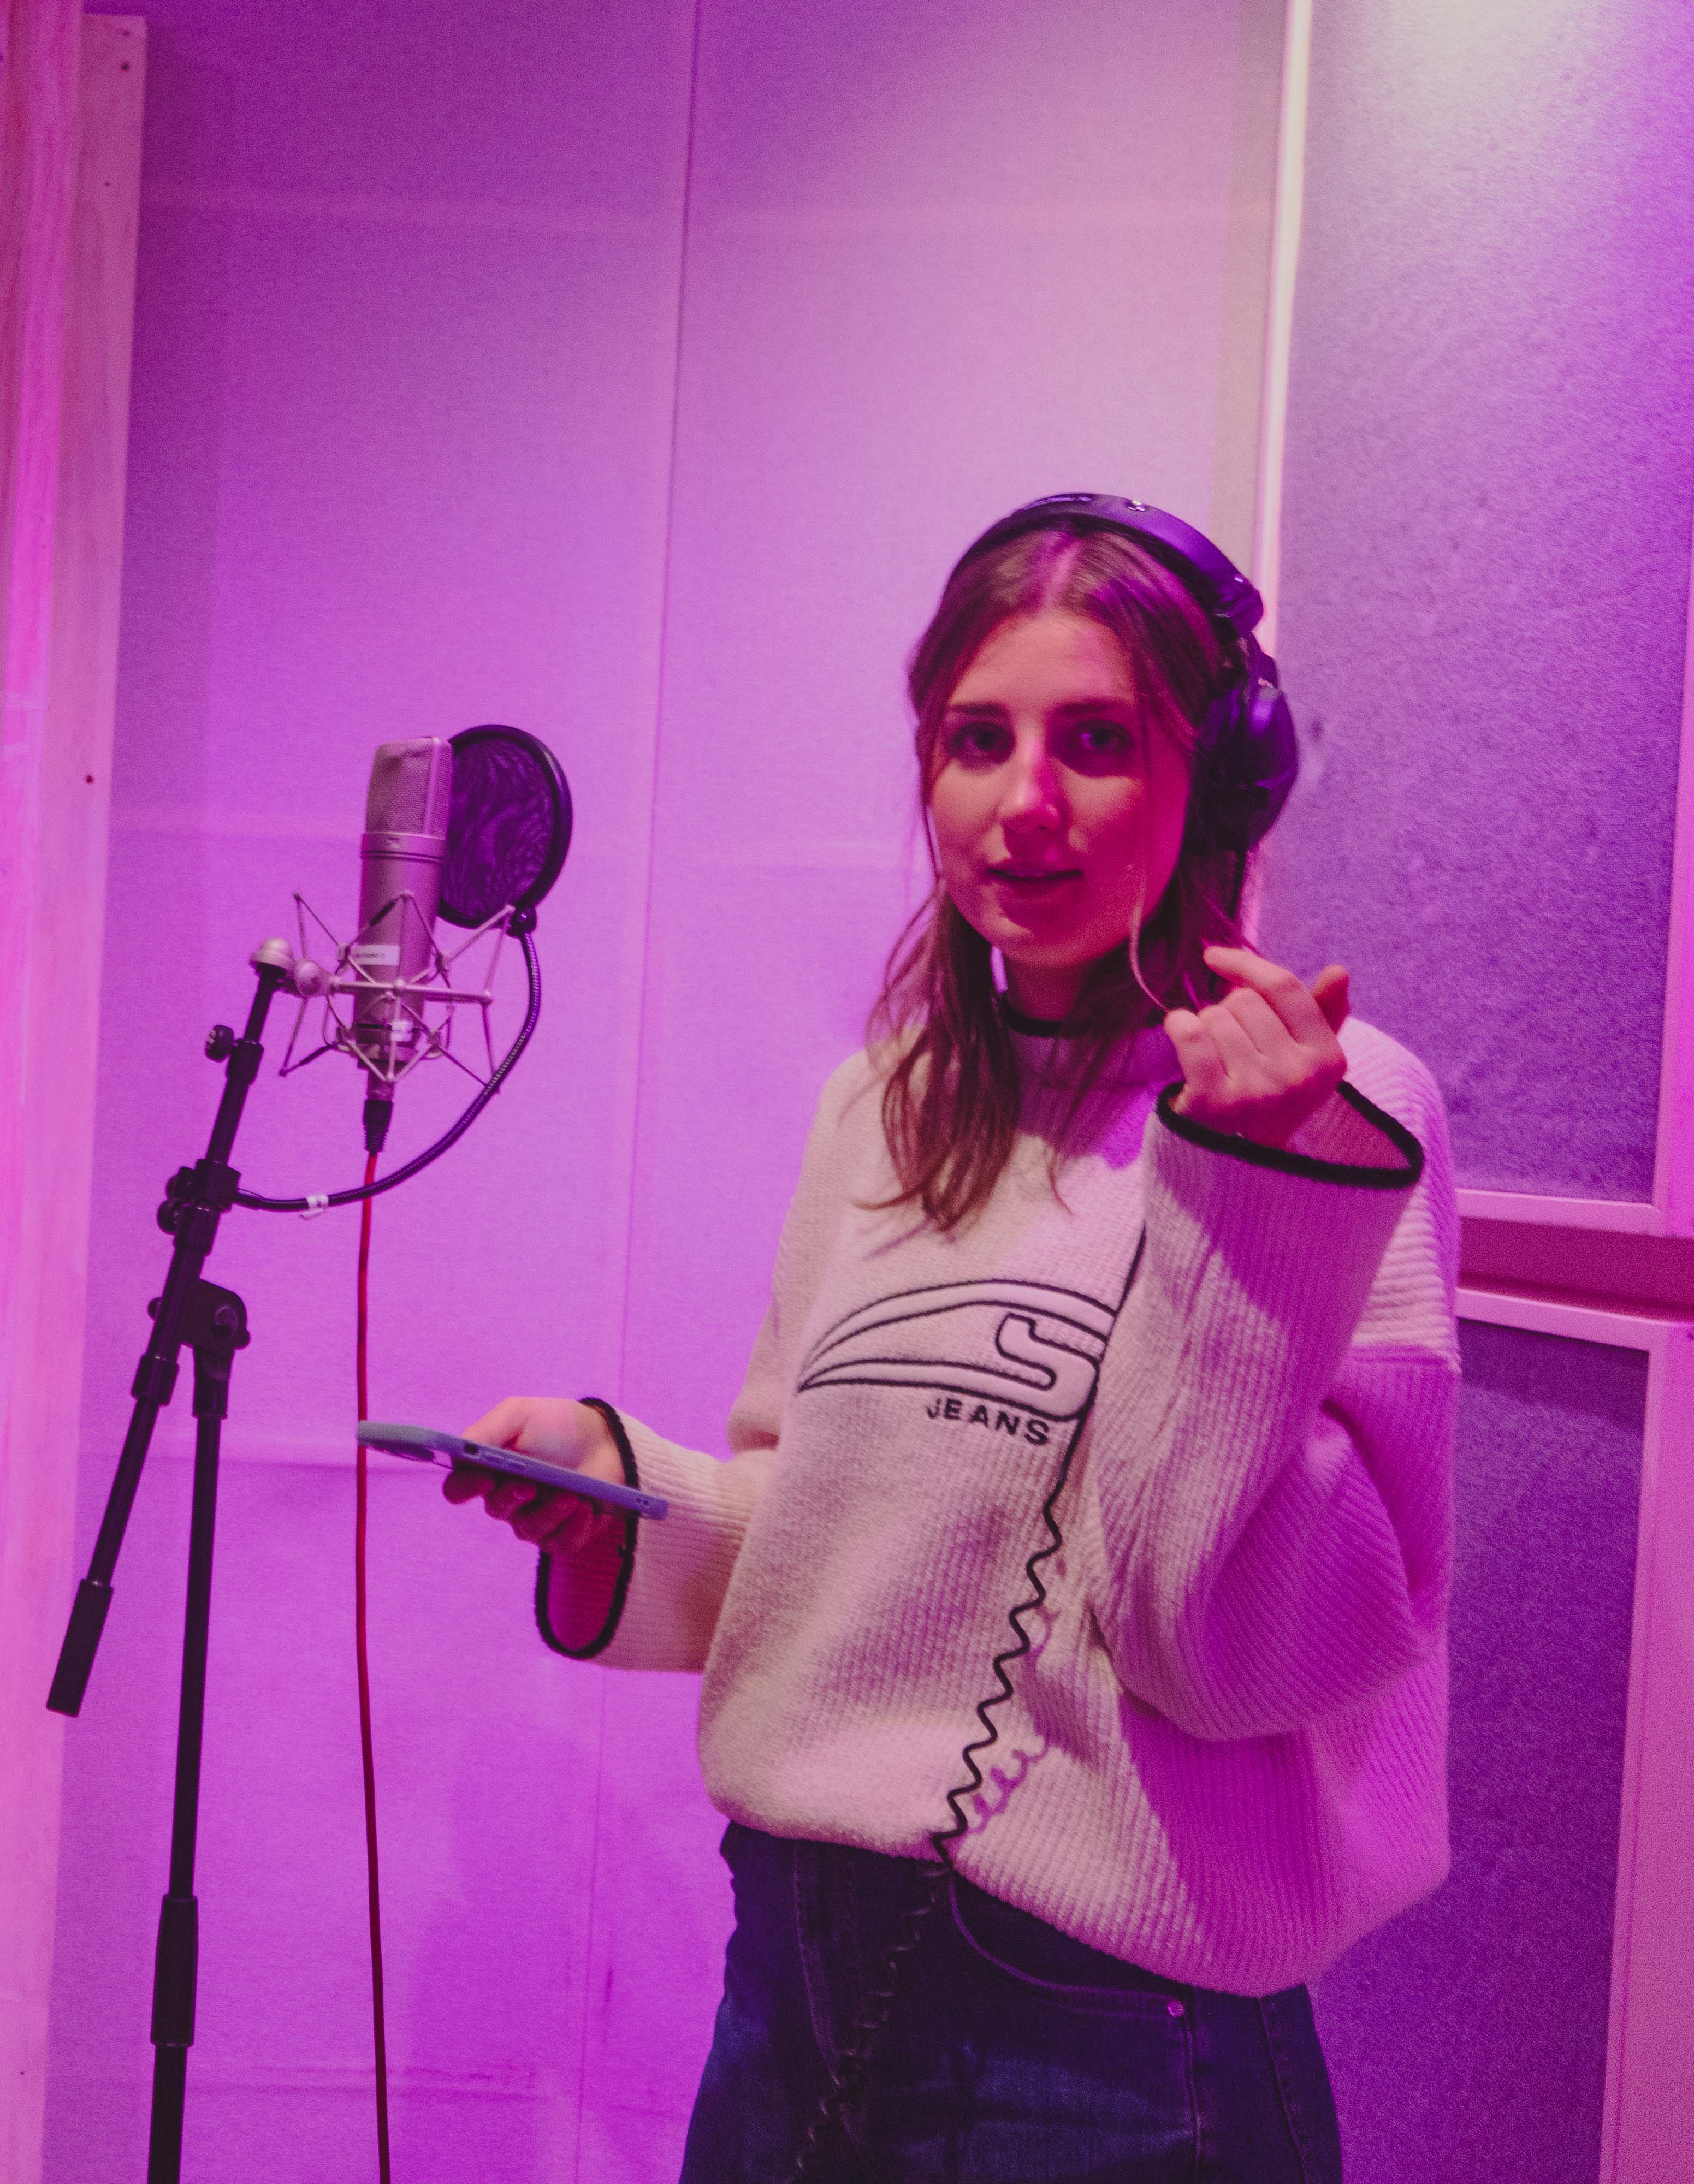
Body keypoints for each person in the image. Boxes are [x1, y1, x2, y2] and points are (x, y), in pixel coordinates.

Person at [446, 497, 1454, 2182]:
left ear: (1220, 781)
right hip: (797, 1969)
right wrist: (622, 1495)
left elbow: (1234, 1649)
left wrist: (1254, 1189)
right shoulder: (884, 1106)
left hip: (1113, 2041)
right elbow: (839, 1532)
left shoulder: (1341, 1119)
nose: (1024, 806)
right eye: (978, 740)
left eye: (1099, 742)